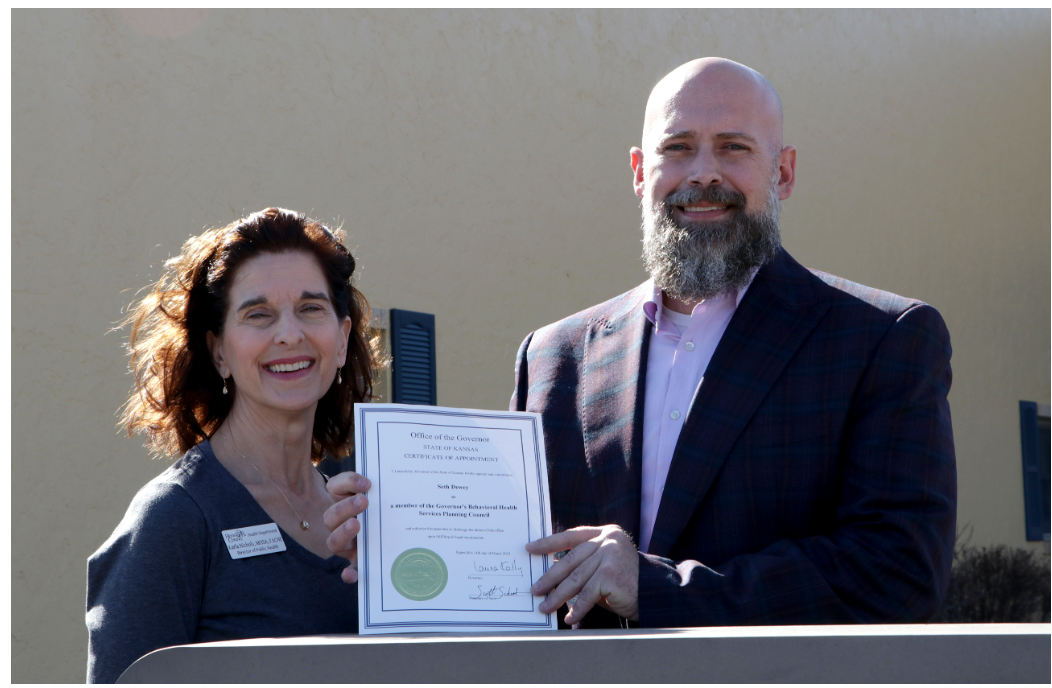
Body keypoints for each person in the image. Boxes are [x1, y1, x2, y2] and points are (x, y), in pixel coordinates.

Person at [512, 58, 957, 628]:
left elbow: (898, 571)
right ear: (640, 173)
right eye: (677, 148)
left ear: (783, 173)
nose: (704, 173)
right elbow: (515, 558)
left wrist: (658, 589)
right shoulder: (553, 358)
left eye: (733, 147)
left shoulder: (881, 339)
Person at [86, 208, 375, 682]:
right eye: (258, 315)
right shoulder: (175, 518)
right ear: (219, 351)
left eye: (311, 308)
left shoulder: (368, 520)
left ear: (341, 339)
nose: (290, 334)